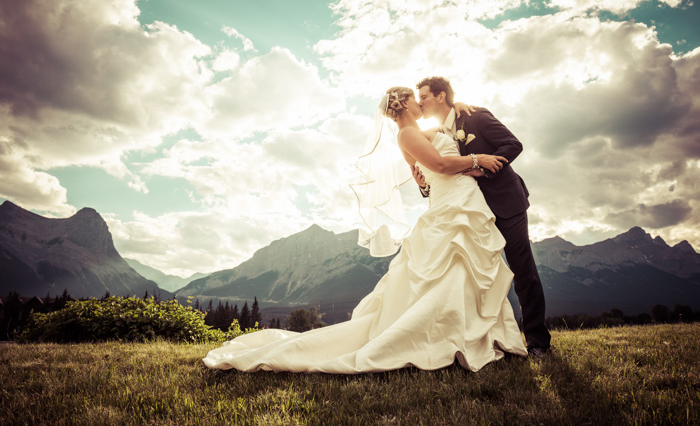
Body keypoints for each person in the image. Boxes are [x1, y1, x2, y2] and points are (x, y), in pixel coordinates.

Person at [202, 87, 527, 373]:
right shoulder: (407, 134)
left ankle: (470, 334)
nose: (420, 102)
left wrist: (459, 117)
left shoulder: (423, 131)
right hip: (452, 204)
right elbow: (440, 166)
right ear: (403, 104)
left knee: (466, 271)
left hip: (460, 199)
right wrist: (477, 158)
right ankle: (447, 338)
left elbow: (428, 166)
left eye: (423, 96)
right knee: (452, 271)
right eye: (416, 98)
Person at [413, 76, 551, 356]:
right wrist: (423, 184)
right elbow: (441, 173)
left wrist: (484, 168)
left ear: (441, 96)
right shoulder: (434, 132)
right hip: (468, 212)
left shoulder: (474, 116)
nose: (420, 103)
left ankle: (538, 341)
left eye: (424, 97)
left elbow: (513, 144)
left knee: (522, 270)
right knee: (475, 278)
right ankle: (486, 339)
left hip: (504, 203)